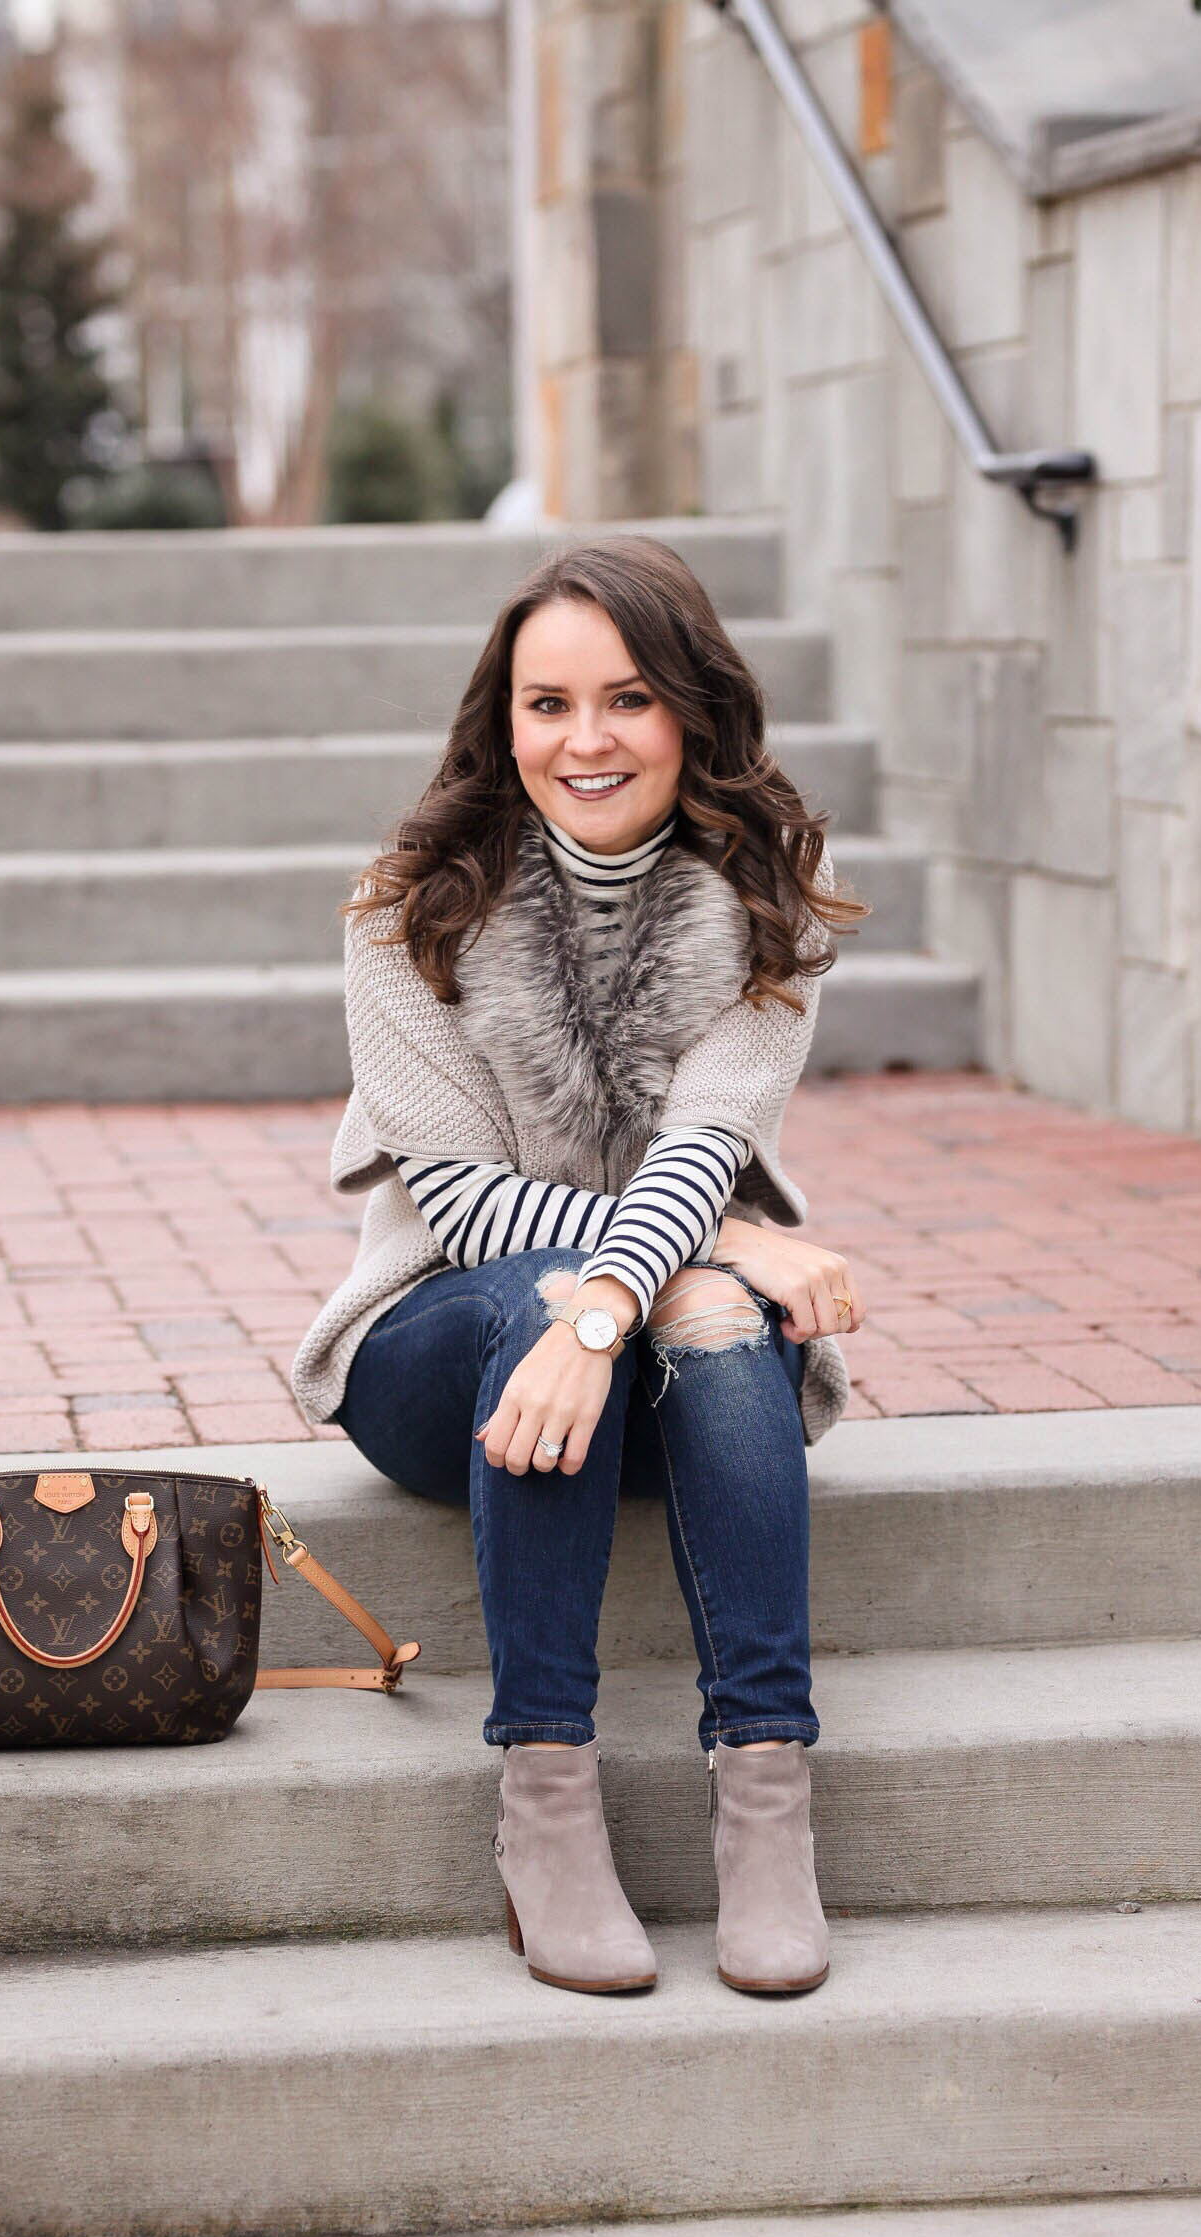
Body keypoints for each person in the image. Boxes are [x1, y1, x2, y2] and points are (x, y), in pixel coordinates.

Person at [290, 533, 868, 1999]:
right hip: (446, 1355)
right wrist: (698, 1248)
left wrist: (638, 1293)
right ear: (506, 724)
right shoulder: (404, 908)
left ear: (692, 712)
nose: (586, 739)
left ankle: (767, 1811)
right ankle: (544, 1807)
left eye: (627, 699)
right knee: (656, 1282)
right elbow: (462, 1198)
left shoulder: (766, 910)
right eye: (547, 705)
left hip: (651, 1373)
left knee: (705, 1310)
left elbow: (703, 1137)